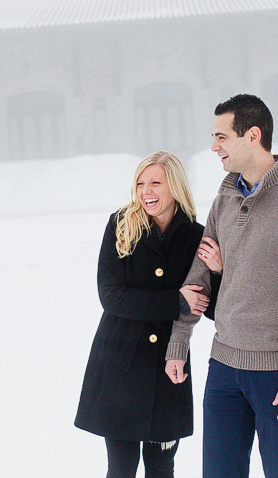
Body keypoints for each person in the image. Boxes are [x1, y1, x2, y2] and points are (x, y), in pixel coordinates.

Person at [165, 94, 278, 478]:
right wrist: (178, 343)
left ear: (253, 135)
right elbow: (198, 280)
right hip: (224, 367)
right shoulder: (224, 198)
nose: (214, 147)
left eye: (221, 137)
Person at [75, 151, 213, 478]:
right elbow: (111, 296)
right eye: (140, 183)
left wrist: (218, 271)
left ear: (175, 186)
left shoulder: (196, 235)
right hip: (119, 364)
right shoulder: (121, 225)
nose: (146, 191)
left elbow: (209, 306)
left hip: (170, 367)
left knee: (162, 467)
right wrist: (175, 300)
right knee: (121, 469)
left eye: (155, 182)